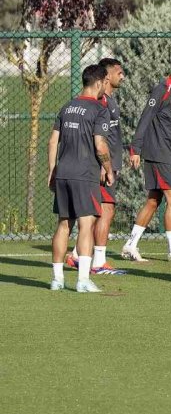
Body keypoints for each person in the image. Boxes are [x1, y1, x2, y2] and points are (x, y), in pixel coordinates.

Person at [120, 52, 171, 263]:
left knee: (154, 201)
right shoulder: (163, 89)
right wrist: (135, 148)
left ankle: (130, 245)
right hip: (157, 153)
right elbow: (146, 118)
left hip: (169, 156)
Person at [48, 64, 114, 293]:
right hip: (85, 174)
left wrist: (52, 170)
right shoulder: (98, 109)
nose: (107, 86)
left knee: (64, 224)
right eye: (106, 81)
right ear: (98, 82)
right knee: (86, 224)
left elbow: (52, 141)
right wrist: (108, 168)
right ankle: (83, 281)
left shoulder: (67, 106)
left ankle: (56, 280)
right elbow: (100, 144)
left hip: (64, 172)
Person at [66, 58, 127, 276]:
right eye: (119, 72)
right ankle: (98, 262)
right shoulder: (99, 103)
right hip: (99, 168)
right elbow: (98, 140)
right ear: (106, 77)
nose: (123, 76)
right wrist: (104, 166)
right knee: (105, 210)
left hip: (109, 165)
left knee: (99, 212)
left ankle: (75, 255)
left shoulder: (109, 101)